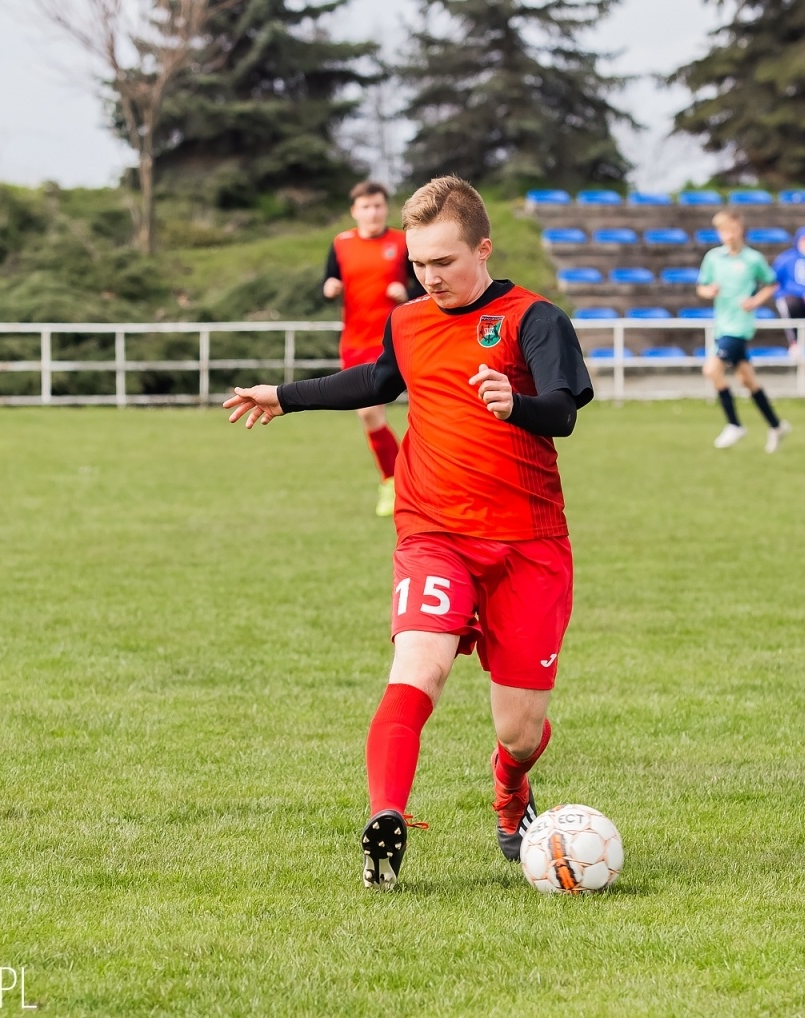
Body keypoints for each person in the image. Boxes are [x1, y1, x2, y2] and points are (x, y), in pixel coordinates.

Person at [224, 176, 594, 890]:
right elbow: (376, 381)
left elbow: (563, 412)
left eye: (444, 262)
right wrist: (285, 396)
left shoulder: (535, 319)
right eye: (419, 263)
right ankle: (384, 819)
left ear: (483, 249)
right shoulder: (410, 320)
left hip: (528, 543)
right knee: (417, 669)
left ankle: (510, 787)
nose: (430, 277)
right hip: (433, 531)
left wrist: (516, 403)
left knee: (519, 731)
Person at [323, 180, 425, 517]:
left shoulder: (402, 242)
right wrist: (330, 287)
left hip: (397, 339)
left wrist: (406, 293)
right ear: (355, 211)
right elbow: (329, 279)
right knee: (368, 413)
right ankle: (394, 481)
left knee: (424, 411)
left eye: (378, 205)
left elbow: (426, 285)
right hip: (355, 341)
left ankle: (410, 481)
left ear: (386, 208)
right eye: (366, 207)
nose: (373, 212)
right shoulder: (341, 243)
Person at [696, 209, 790, 452]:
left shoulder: (753, 259)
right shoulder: (713, 257)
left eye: (732, 230)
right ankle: (776, 425)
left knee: (711, 369)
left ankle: (734, 424)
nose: (728, 235)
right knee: (747, 380)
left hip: (740, 326)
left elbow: (772, 284)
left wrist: (755, 301)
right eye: (723, 231)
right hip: (722, 325)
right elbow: (701, 287)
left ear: (740, 230)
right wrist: (709, 291)